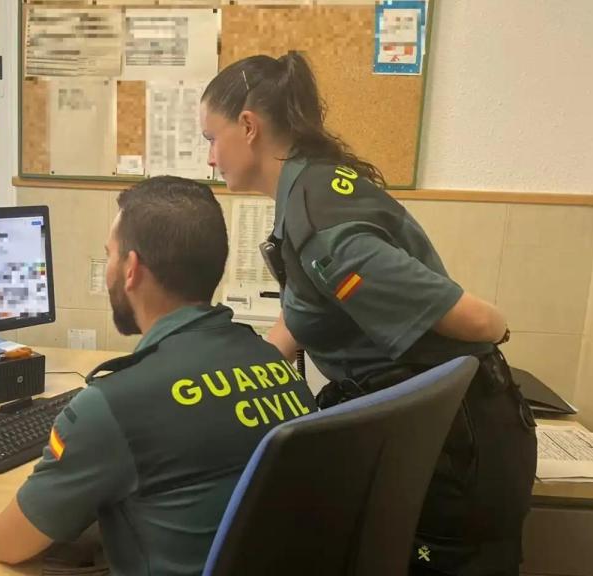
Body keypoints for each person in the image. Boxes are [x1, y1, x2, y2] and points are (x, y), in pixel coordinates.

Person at [200, 52, 537, 575]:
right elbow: (307, 305)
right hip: (445, 441)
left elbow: (472, 319)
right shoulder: (310, 188)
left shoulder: (321, 230)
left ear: (247, 127)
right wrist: (248, 374)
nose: (210, 160)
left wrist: (500, 329)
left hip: (460, 453)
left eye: (210, 140)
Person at [0, 176, 318, 575]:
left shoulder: (113, 404)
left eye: (110, 254)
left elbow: (8, 545)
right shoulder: (275, 366)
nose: (108, 264)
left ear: (131, 269)